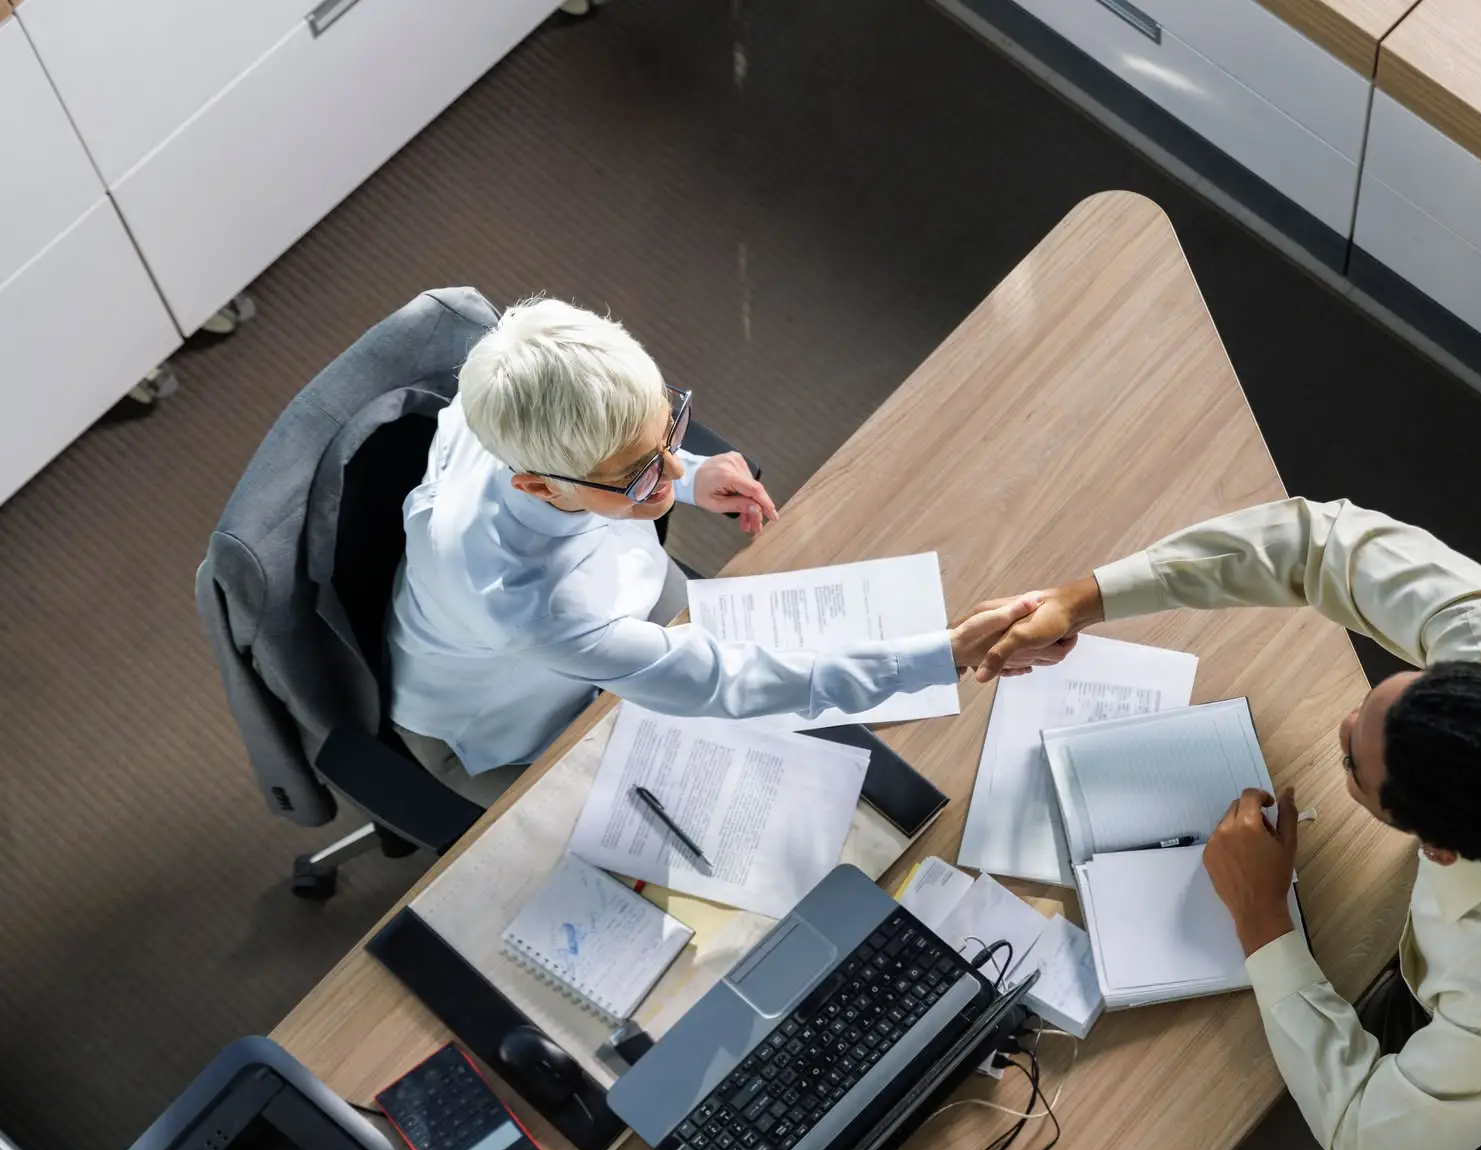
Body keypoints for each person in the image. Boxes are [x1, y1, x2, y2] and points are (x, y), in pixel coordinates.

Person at [975, 498, 1481, 1150]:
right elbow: (1321, 542)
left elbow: (1361, 1142)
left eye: (1352, 763)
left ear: (1439, 849)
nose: (1346, 722)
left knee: (1214, 1134)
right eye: (1388, 693)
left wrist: (1261, 917)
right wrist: (1081, 599)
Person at [387, 298, 1043, 805]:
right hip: (508, 720)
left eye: (668, 428)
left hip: (601, 603)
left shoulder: (522, 383)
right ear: (534, 483)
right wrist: (946, 651)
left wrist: (695, 473)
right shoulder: (532, 607)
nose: (671, 473)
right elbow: (729, 681)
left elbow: (632, 461)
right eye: (642, 474)